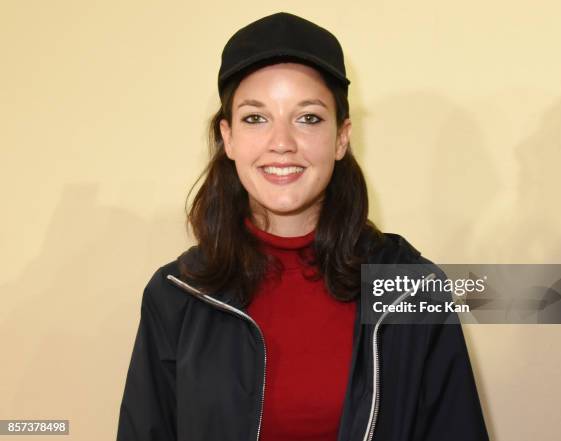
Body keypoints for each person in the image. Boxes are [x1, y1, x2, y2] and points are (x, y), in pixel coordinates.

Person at [116, 11, 489, 441]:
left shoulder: (413, 288)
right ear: (228, 137)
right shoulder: (175, 296)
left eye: (307, 117)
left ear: (342, 137)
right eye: (256, 117)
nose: (282, 143)